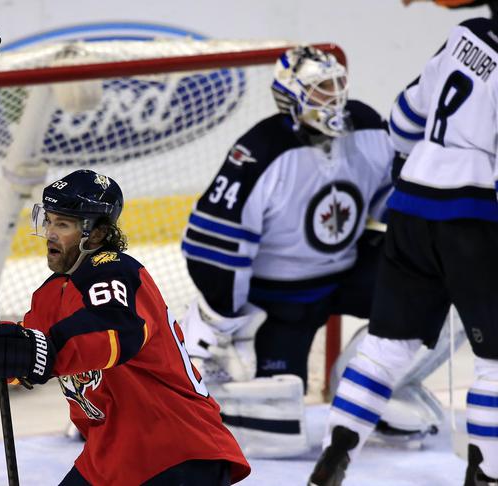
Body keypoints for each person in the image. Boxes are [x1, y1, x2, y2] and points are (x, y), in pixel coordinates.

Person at [179, 45, 447, 458]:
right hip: (281, 301)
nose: (335, 96)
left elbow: (391, 202)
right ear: (292, 96)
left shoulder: (368, 127)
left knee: (445, 290)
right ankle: (195, 352)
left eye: (339, 84)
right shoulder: (260, 151)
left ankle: (363, 384)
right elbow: (212, 247)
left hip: (347, 272)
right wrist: (226, 314)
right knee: (279, 435)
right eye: (322, 88)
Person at [0, 169, 251, 486]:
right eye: (49, 220)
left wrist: (42, 351)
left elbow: (114, 330)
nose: (50, 233)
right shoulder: (50, 294)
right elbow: (21, 360)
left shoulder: (115, 272)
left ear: (97, 235)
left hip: (174, 446)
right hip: (113, 454)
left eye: (64, 224)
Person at [308, 17, 498, 486]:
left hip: (412, 206)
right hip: (473, 219)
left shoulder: (466, 34)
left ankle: (333, 457)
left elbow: (404, 119)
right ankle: (488, 475)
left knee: (385, 348)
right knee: (496, 363)